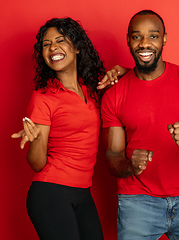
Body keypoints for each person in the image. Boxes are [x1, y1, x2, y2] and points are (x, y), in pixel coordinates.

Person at [101, 10, 179, 240]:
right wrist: (129, 165)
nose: (144, 43)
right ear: (128, 40)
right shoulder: (114, 95)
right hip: (136, 200)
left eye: (153, 36)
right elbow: (111, 156)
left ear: (164, 39)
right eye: (137, 37)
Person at [11, 17, 119, 240]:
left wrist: (122, 70)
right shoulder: (43, 97)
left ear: (77, 47)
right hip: (51, 193)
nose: (53, 48)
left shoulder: (93, 87)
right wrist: (35, 139)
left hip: (83, 193)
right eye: (46, 44)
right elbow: (37, 164)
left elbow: (132, 79)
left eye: (60, 40)